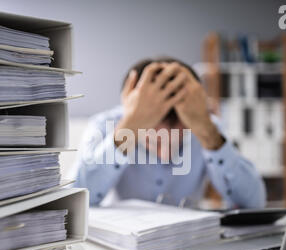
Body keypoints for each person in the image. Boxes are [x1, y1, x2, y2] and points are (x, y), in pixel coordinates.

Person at [72, 57, 266, 208]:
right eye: (153, 141)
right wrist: (129, 128)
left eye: (177, 139)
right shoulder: (104, 125)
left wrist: (208, 133)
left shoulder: (206, 126)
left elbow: (254, 203)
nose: (165, 155)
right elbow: (72, 201)